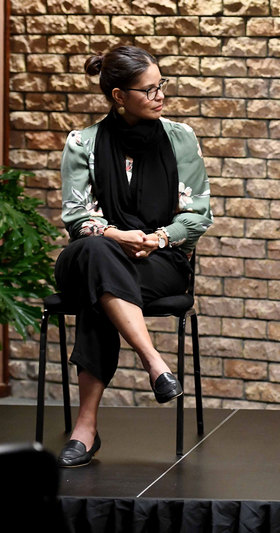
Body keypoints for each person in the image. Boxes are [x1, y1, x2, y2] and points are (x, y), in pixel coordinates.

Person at [54, 46, 213, 467]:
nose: (161, 95)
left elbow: (199, 215)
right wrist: (116, 234)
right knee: (95, 252)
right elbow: (76, 216)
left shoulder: (181, 139)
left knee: (99, 284)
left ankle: (85, 429)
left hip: (160, 261)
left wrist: (158, 239)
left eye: (162, 85)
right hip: (93, 252)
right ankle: (154, 361)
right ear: (119, 96)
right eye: (149, 90)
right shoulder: (82, 143)